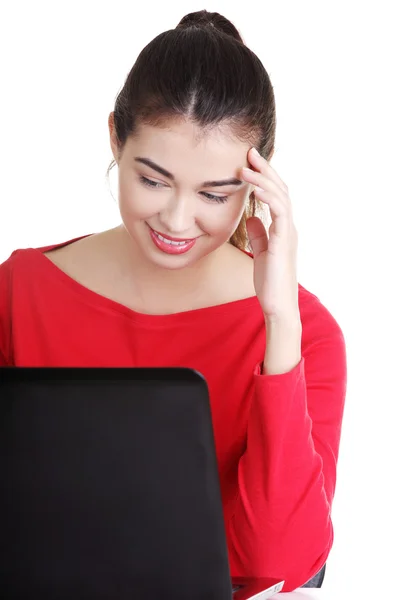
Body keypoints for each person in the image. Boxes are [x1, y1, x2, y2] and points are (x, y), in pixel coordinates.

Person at [0, 10, 347, 593]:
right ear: (115, 136)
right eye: (153, 180)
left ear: (259, 180)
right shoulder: (19, 291)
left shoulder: (304, 333)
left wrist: (279, 322)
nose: (177, 221)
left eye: (215, 193)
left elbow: (279, 566)